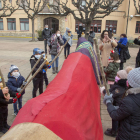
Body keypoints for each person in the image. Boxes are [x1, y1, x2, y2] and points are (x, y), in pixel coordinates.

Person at [103, 67, 140, 140]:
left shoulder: (129, 100)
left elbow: (115, 115)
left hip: (128, 135)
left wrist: (108, 102)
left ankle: (114, 131)